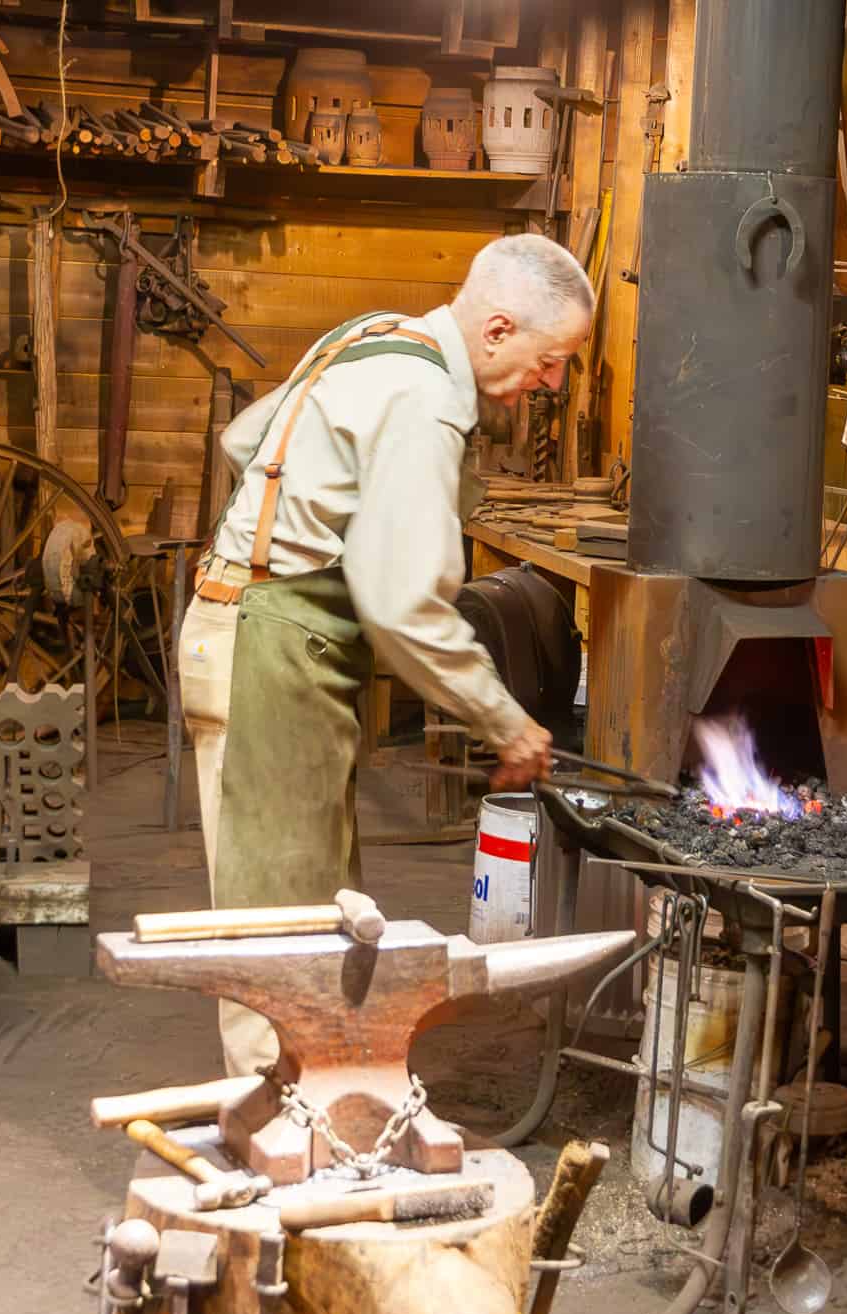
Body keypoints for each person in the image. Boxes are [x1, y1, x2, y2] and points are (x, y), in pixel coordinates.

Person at [178, 233, 596, 1071]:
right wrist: (504, 721)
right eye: (551, 362)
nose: (550, 384)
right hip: (268, 647)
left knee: (314, 897)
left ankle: (311, 1104)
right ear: (499, 329)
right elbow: (403, 604)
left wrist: (293, 533)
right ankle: (274, 1133)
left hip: (260, 631)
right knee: (278, 919)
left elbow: (245, 441)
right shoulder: (426, 398)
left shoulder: (370, 337)